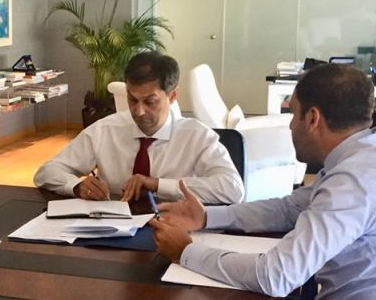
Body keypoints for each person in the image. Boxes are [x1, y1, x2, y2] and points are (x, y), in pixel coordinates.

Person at [149, 63, 376, 300]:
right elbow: (290, 209)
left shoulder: (356, 180)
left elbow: (276, 276)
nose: (291, 125)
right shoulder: (375, 150)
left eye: (293, 113)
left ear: (313, 118)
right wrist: (207, 217)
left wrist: (186, 252)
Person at [34, 51, 243, 204]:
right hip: (112, 228)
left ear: (172, 96)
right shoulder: (105, 130)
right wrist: (76, 186)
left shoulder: (197, 136)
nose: (139, 111)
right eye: (132, 100)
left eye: (150, 101)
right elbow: (46, 172)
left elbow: (233, 188)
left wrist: (158, 184)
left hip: (175, 227)